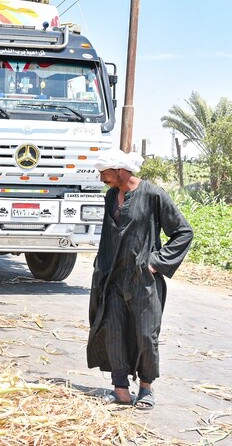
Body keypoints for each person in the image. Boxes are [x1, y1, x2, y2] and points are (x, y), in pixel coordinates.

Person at [87, 149, 193, 409]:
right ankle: (121, 389)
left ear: (121, 171)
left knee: (146, 334)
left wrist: (156, 263)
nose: (101, 178)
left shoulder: (152, 194)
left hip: (143, 280)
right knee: (113, 330)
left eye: (105, 173)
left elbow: (183, 232)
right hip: (114, 277)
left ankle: (146, 388)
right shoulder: (112, 196)